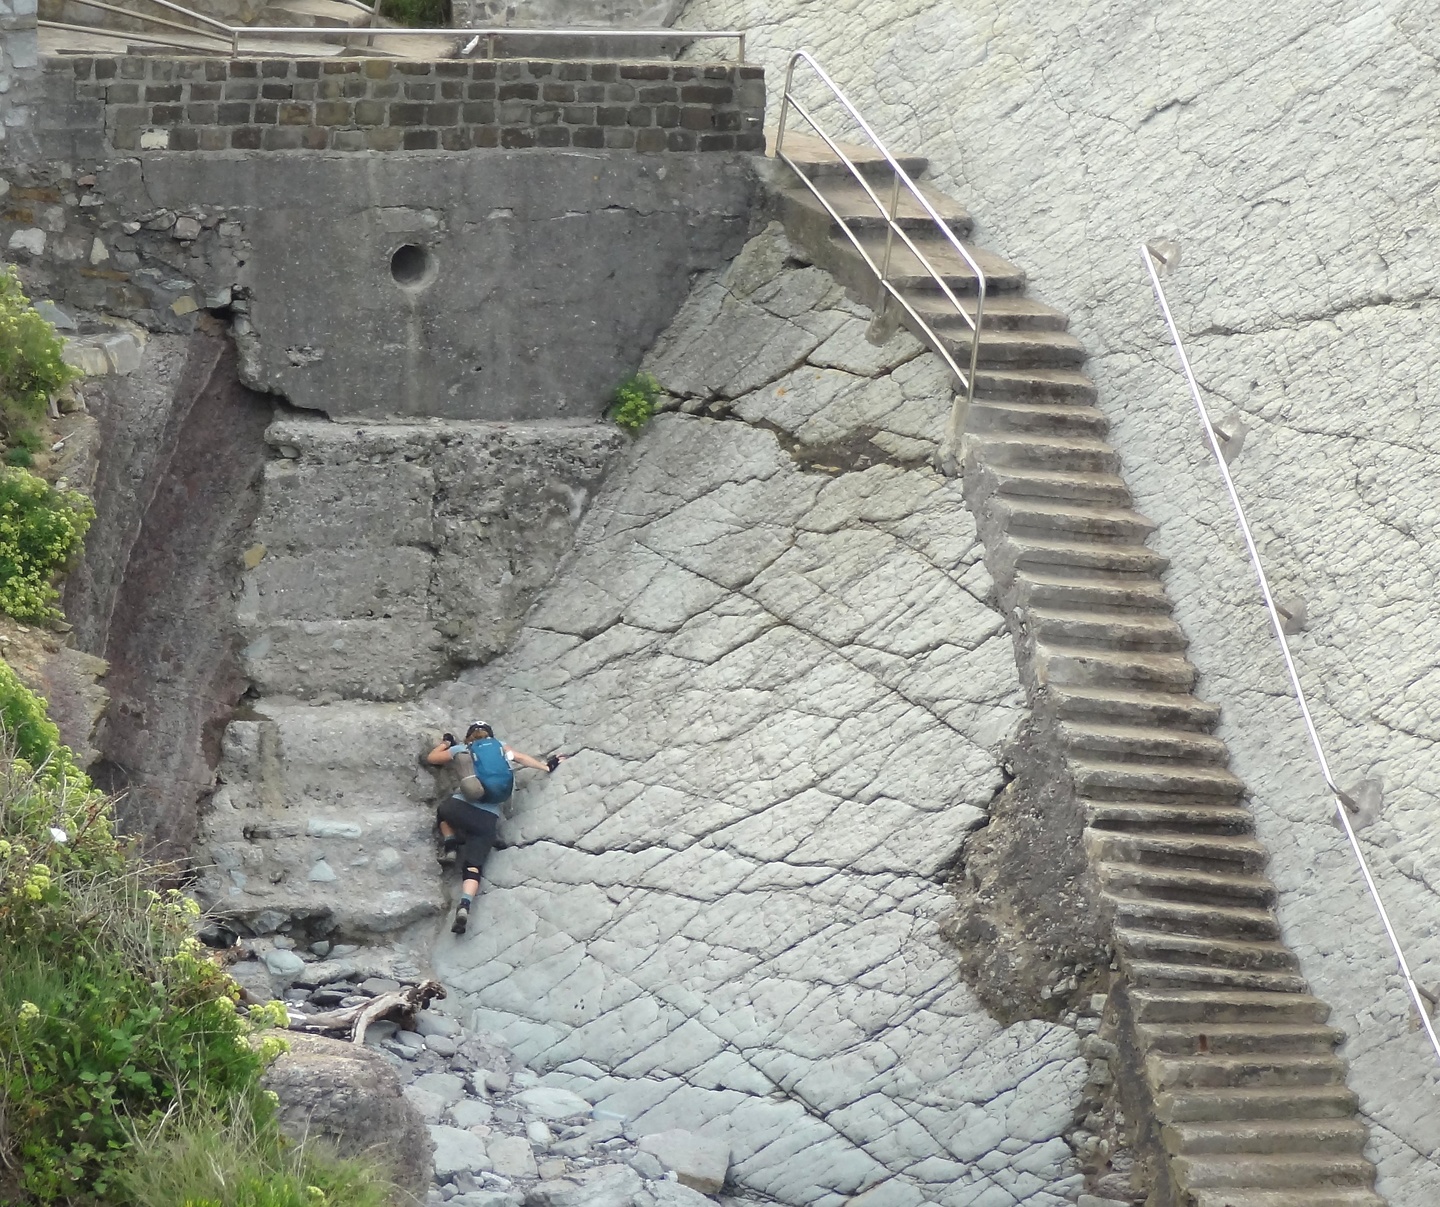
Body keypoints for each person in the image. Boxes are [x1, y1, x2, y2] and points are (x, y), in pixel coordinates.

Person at [424, 722, 563, 935]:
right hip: (488, 820)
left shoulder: (462, 750)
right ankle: (465, 905)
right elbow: (521, 758)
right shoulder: (500, 746)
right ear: (490, 735)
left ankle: (450, 844)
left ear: (470, 737)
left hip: (458, 808)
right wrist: (547, 766)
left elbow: (431, 758)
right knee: (473, 866)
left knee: (443, 811)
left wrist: (446, 743)